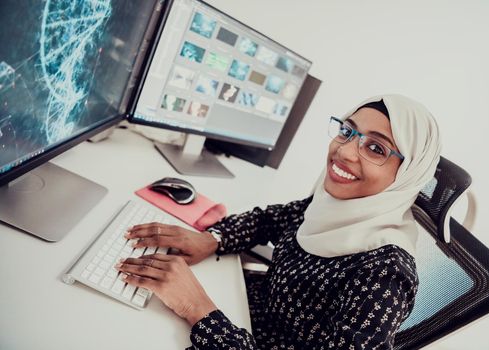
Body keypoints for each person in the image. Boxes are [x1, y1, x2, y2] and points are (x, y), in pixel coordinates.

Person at [116, 94, 442, 349]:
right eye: (347, 131)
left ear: (407, 174)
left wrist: (197, 309)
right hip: (243, 315)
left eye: (375, 147)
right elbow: (270, 220)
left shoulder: (386, 276)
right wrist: (213, 239)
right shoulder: (332, 205)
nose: (344, 152)